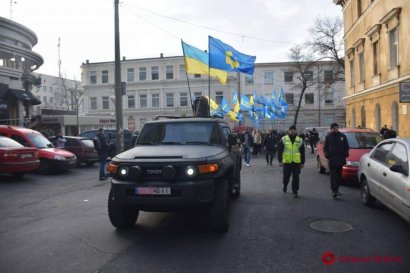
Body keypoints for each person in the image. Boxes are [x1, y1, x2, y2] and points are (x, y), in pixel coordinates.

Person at [277, 125, 305, 198]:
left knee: (296, 177)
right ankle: (285, 185)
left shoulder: (299, 140)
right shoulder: (283, 139)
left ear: (296, 131)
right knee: (286, 177)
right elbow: (279, 151)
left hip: (296, 162)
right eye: (291, 130)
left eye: (294, 130)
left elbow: (302, 152)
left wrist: (302, 162)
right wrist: (280, 160)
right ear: (289, 131)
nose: (292, 131)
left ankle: (295, 190)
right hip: (287, 162)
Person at [324, 123, 349, 199]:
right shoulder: (328, 137)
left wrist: (345, 154)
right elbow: (325, 148)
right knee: (333, 176)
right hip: (332, 160)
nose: (335, 129)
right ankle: (334, 191)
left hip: (340, 160)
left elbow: (346, 146)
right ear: (331, 129)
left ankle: (337, 189)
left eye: (336, 128)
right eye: (334, 128)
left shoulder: (342, 136)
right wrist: (327, 155)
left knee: (338, 176)